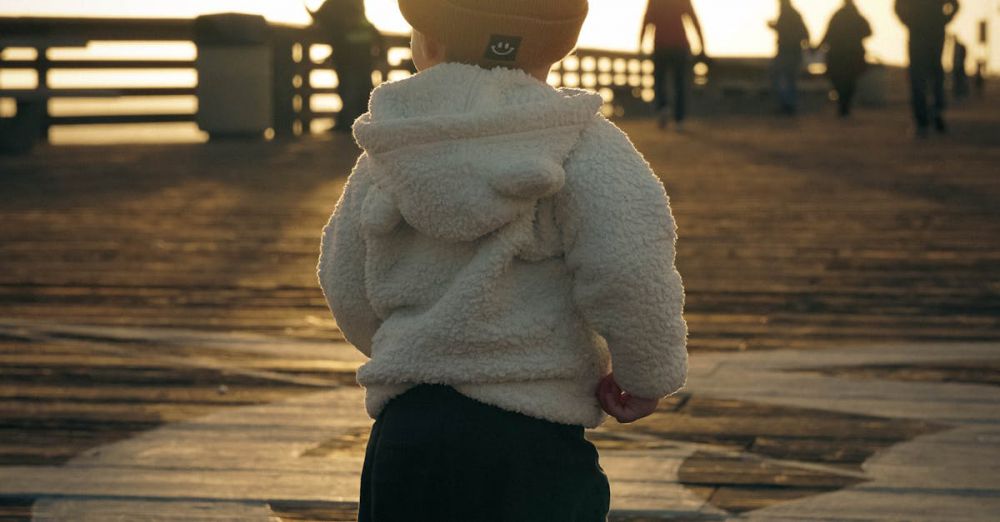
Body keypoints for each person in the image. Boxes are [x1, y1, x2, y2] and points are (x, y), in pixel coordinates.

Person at [317, 0, 688, 519]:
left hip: (409, 430)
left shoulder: (389, 147)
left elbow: (343, 277)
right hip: (532, 434)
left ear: (427, 43)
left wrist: (405, 344)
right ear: (557, 49)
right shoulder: (582, 142)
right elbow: (630, 265)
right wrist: (646, 372)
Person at [308, 0, 383, 132]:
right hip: (361, 60)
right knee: (360, 90)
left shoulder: (342, 19)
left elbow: (338, 37)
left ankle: (347, 124)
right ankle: (358, 123)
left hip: (350, 60)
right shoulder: (363, 24)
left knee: (350, 90)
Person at [895, 0, 960, 136]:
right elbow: (898, 7)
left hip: (924, 35)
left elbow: (898, 7)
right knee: (929, 77)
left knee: (926, 77)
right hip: (927, 34)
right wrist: (943, 20)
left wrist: (910, 22)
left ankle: (929, 117)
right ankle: (928, 117)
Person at [640, 0, 707, 130]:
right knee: (679, 83)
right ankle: (679, 119)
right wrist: (702, 45)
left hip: (661, 45)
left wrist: (640, 44)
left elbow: (646, 21)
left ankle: (662, 109)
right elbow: (693, 19)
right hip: (679, 46)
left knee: (659, 81)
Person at [819, 0, 872, 117]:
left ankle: (844, 107)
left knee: (844, 81)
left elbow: (828, 34)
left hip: (843, 55)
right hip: (847, 55)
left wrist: (819, 46)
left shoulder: (840, 16)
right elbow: (868, 32)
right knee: (847, 82)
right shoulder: (855, 16)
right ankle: (844, 106)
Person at [769, 0, 811, 115]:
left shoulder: (788, 15)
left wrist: (775, 27)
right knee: (788, 79)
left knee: (783, 77)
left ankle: (787, 105)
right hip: (792, 52)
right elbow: (805, 33)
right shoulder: (793, 15)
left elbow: (799, 33)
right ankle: (788, 104)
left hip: (787, 51)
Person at [951, 35, 970, 100]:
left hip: (959, 66)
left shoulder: (959, 47)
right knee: (958, 80)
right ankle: (958, 93)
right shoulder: (956, 47)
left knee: (960, 80)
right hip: (957, 66)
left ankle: (961, 93)